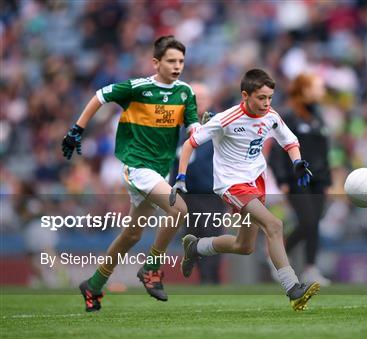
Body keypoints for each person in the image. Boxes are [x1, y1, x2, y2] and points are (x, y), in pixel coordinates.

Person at [61, 35, 200, 312]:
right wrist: (77, 129)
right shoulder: (137, 88)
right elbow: (99, 96)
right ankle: (150, 269)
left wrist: (201, 130)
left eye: (181, 61)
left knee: (132, 234)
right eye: (171, 61)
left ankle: (94, 284)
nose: (177, 66)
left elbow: (192, 124)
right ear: (156, 62)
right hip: (137, 166)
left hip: (159, 171)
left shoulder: (185, 92)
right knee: (179, 210)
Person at [170, 69, 320, 311]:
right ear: (245, 95)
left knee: (244, 246)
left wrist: (297, 162)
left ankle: (196, 247)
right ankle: (293, 288)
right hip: (231, 184)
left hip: (255, 182)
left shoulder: (270, 115)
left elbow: (290, 141)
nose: (266, 103)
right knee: (274, 225)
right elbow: (189, 144)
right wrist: (180, 177)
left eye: (270, 98)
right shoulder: (226, 119)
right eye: (261, 98)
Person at [269, 73, 332, 286]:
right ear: (304, 90)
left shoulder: (318, 117)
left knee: (314, 224)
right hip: (297, 179)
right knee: (308, 221)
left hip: (318, 180)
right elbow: (277, 150)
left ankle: (310, 268)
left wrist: (328, 181)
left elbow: (324, 153)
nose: (322, 91)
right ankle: (278, 253)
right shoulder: (289, 115)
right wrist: (282, 179)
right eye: (318, 86)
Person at [170, 82, 224, 284]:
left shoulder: (219, 124)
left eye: (202, 98)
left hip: (211, 192)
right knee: (193, 236)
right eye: (195, 98)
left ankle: (211, 278)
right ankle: (205, 278)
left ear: (210, 100)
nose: (199, 102)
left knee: (211, 234)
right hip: (186, 193)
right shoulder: (178, 126)